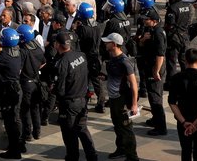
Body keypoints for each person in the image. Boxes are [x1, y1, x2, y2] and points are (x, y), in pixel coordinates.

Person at [52, 31, 97, 161]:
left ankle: (72, 157)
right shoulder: (81, 56)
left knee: (69, 134)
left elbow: (60, 89)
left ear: (57, 45)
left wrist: (53, 93)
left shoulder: (62, 63)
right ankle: (92, 156)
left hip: (69, 103)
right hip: (82, 99)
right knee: (83, 130)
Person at [166, 48, 197, 161]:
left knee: (185, 150)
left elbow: (172, 103)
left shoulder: (176, 78)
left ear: (185, 61)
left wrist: (184, 122)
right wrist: (195, 125)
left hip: (183, 121)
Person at [0, 28, 24, 159]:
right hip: (17, 89)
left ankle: (14, 150)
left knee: (10, 122)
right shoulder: (18, 51)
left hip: (9, 92)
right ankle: (18, 145)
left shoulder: (4, 57)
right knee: (16, 119)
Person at [102, 32, 139, 161]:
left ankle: (132, 156)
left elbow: (134, 84)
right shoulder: (112, 57)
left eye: (107, 42)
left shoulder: (124, 61)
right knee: (117, 126)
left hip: (121, 99)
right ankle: (121, 149)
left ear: (114, 44)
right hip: (113, 99)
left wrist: (134, 104)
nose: (105, 44)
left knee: (126, 129)